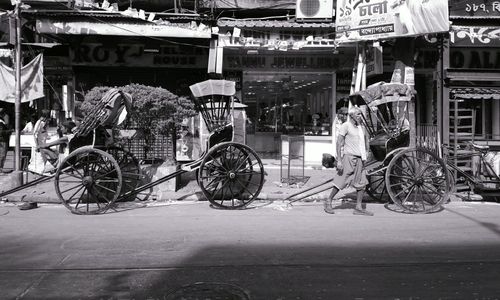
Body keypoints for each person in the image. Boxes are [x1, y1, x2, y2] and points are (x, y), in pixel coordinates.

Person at [324, 106, 373, 216]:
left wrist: (366, 155)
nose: (360, 117)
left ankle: (359, 207)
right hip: (349, 158)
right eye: (358, 115)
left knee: (361, 182)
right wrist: (340, 160)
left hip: (359, 159)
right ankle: (328, 201)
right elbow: (339, 143)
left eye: (360, 114)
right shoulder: (346, 126)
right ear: (351, 116)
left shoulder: (360, 127)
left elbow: (363, 143)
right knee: (341, 181)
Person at [0, 107, 12, 173]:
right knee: (2, 154)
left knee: (2, 154)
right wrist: (10, 131)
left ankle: (1, 168)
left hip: (3, 139)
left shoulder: (2, 121)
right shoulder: (1, 122)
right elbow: (1, 132)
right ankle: (0, 168)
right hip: (2, 140)